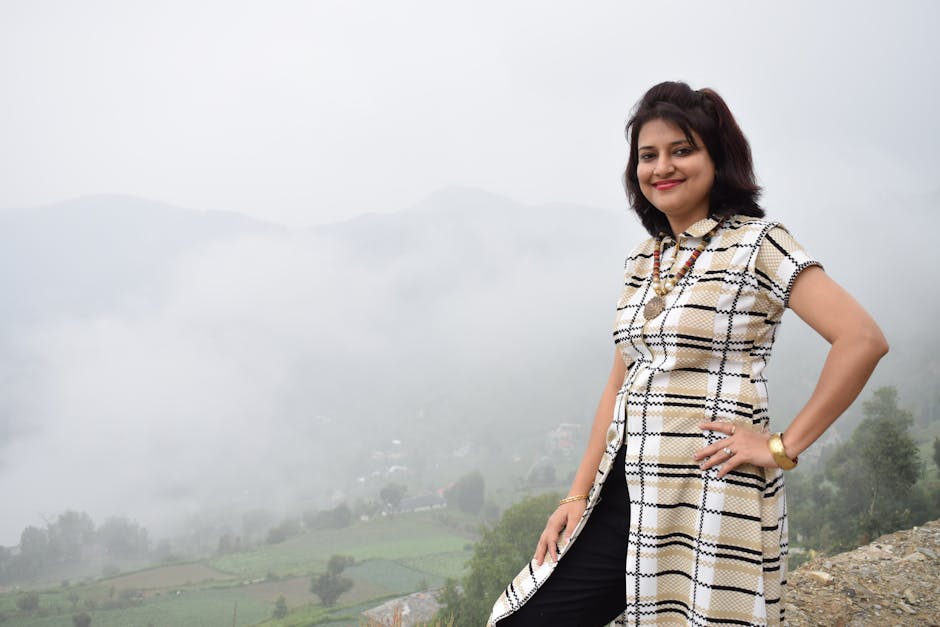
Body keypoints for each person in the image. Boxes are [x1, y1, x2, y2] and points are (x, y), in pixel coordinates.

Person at [487, 81, 888, 626]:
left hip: (711, 494)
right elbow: (618, 383)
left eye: (681, 150)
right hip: (626, 487)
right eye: (647, 155)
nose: (662, 167)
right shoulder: (643, 259)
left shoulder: (757, 242)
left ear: (717, 158)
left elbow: (861, 339)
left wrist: (781, 446)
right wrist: (575, 495)